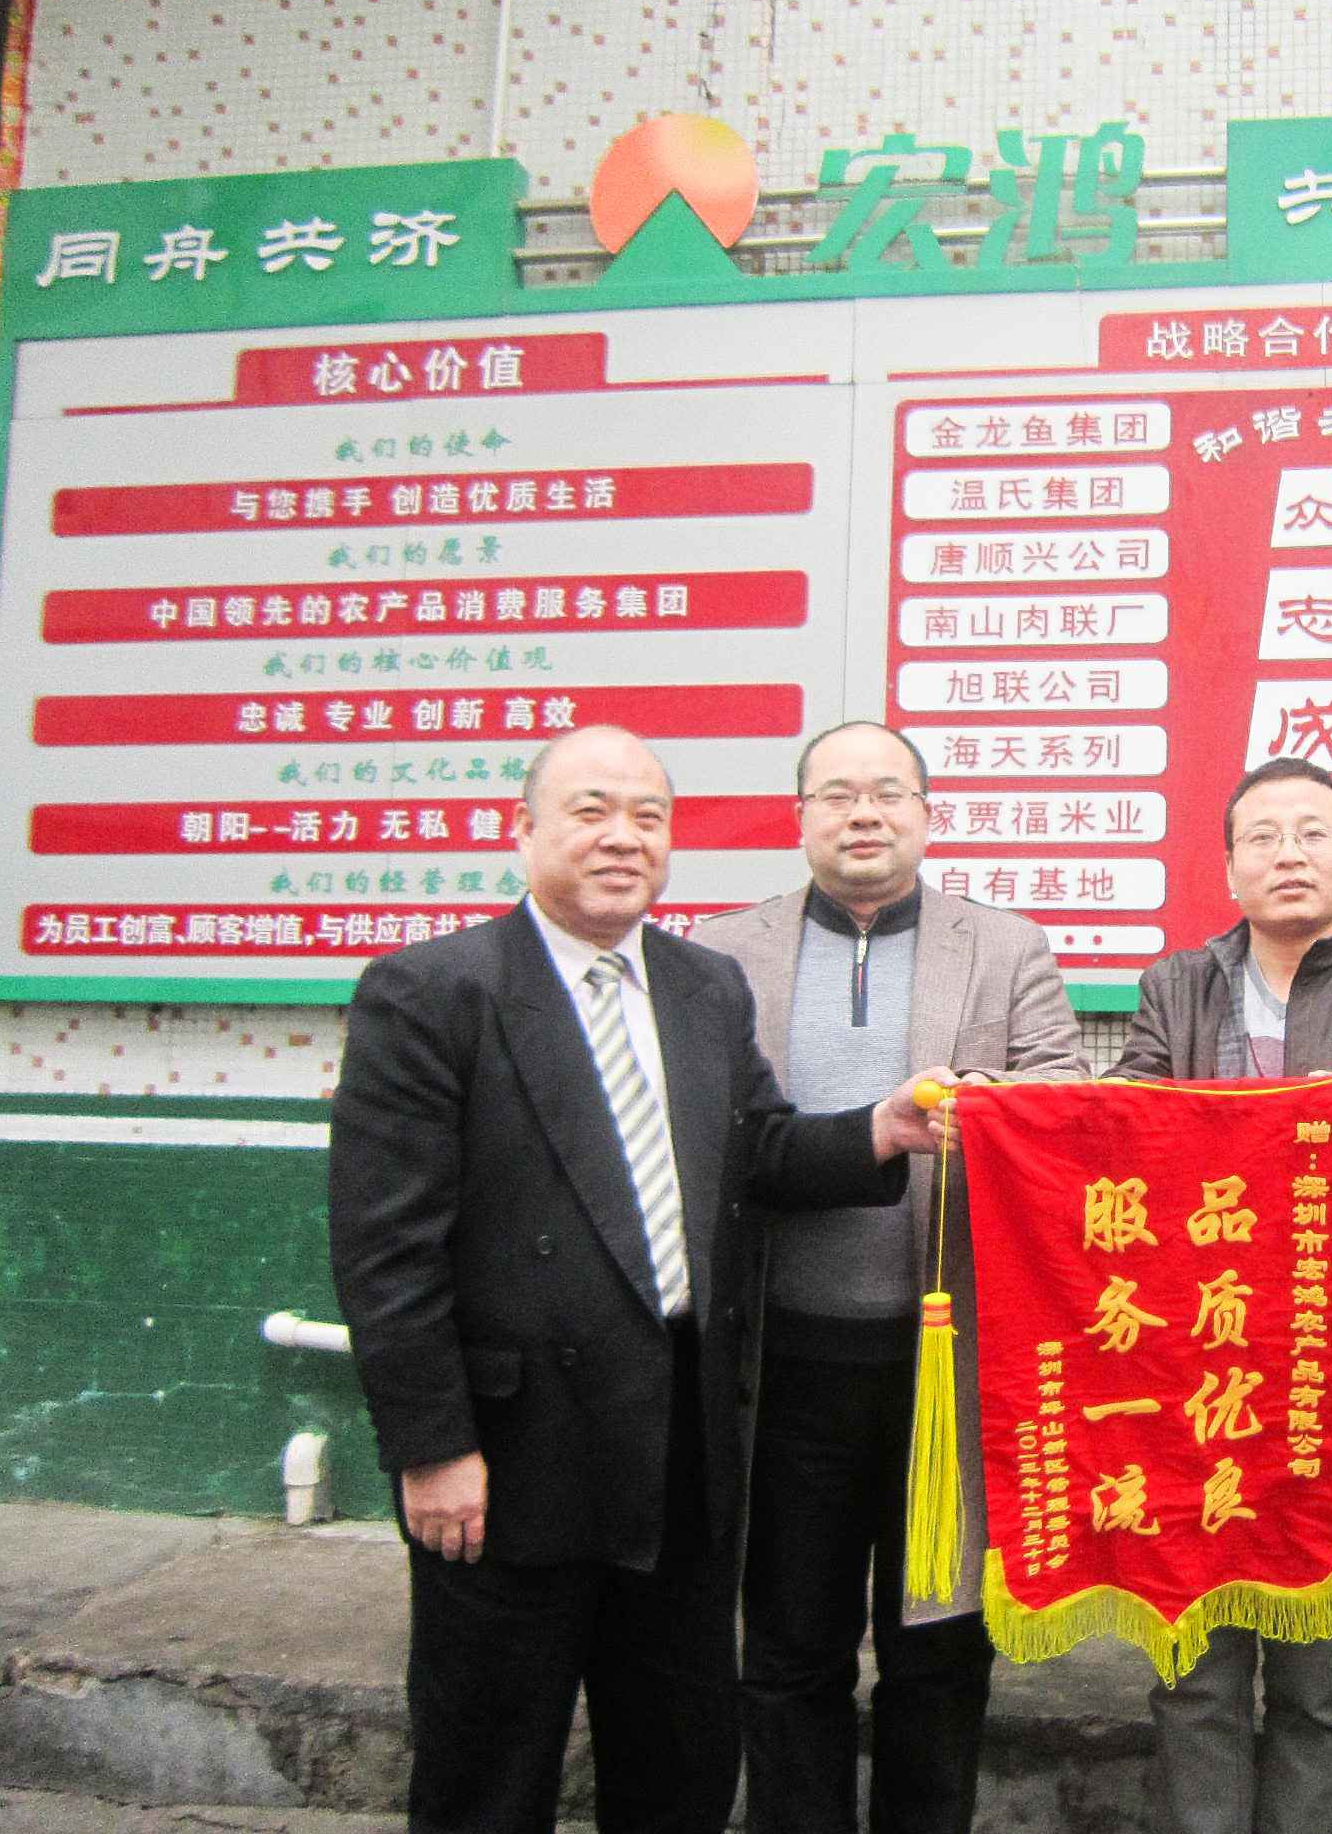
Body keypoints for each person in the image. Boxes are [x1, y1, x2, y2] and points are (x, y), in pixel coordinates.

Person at [327, 724, 949, 1834]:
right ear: (523, 832)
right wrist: (431, 1446)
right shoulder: (433, 991)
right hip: (511, 1458)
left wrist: (879, 1130)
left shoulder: (702, 986)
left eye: (648, 817)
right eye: (592, 812)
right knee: (488, 1773)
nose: (623, 838)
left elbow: (758, 1150)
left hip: (683, 1451)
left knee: (677, 1765)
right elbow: (387, 1251)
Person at [692, 721, 1083, 1834]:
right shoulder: (721, 955)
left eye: (887, 793)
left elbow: (1062, 1104)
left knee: (939, 1653)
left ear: (926, 813)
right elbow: (705, 1137)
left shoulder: (1003, 947)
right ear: (799, 817)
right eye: (836, 794)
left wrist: (997, 1114)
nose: (863, 814)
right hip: (784, 1361)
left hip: (948, 1366)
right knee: (788, 1648)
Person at [1106, 755, 1332, 1834]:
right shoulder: (1178, 986)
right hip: (1192, 1375)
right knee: (1194, 1669)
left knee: (1319, 1676)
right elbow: (1126, 1126)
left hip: (1329, 1375)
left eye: (1314, 833)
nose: (1289, 855)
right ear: (1229, 867)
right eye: (1262, 837)